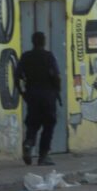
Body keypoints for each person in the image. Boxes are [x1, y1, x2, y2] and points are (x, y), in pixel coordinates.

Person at [16, 31, 62, 166]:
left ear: (32, 42)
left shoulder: (26, 57)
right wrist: (57, 91)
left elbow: (16, 77)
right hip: (48, 95)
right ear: (44, 42)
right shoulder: (48, 57)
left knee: (33, 123)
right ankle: (43, 156)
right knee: (49, 124)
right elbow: (56, 77)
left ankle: (29, 144)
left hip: (32, 95)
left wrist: (22, 93)